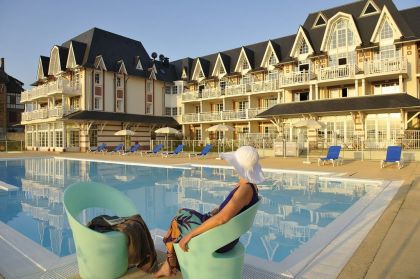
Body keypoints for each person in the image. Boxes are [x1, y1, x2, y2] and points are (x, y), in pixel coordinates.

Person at [153, 146, 264, 278]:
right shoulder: (248, 185)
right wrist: (215, 211)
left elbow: (221, 219)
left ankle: (169, 265)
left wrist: (190, 235)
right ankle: (169, 264)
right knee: (181, 213)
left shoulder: (244, 190)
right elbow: (229, 211)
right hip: (225, 233)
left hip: (221, 238)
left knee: (178, 221)